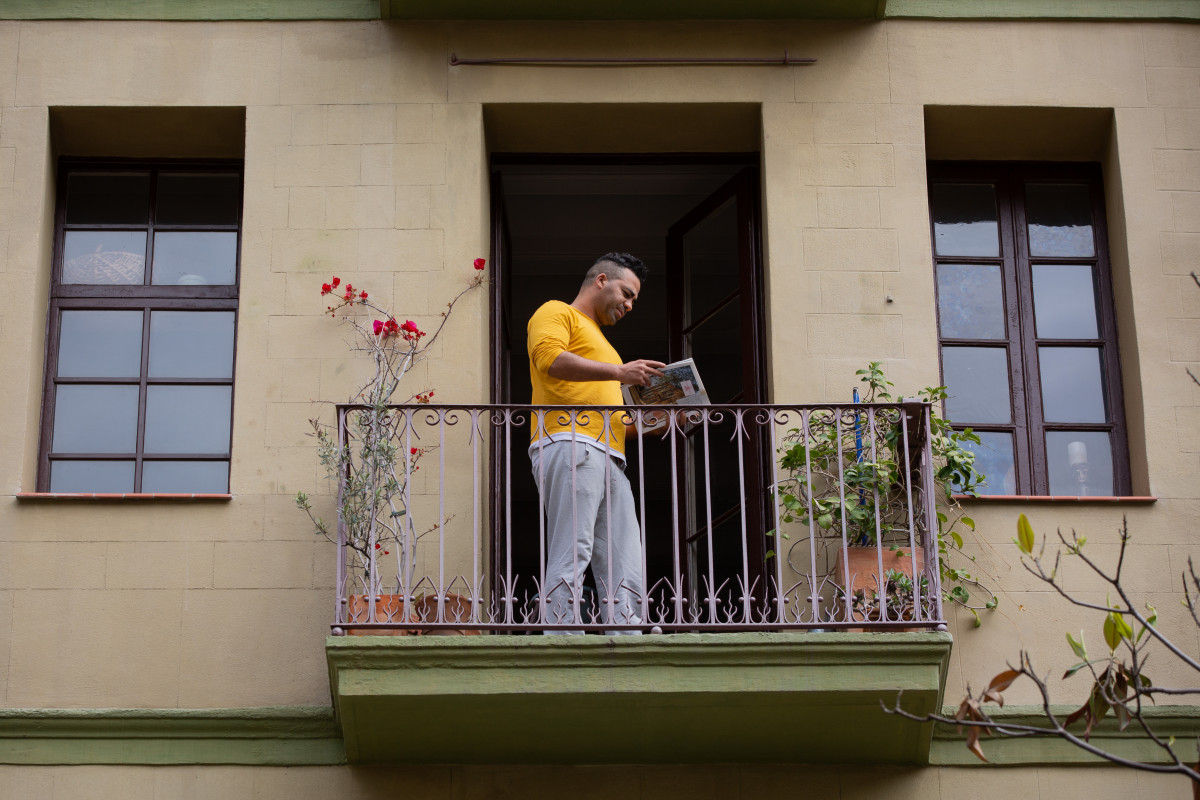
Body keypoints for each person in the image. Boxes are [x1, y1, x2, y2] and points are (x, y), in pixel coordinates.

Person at [527, 252, 665, 634]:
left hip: (610, 456)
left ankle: (628, 632)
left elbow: (618, 423)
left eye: (634, 300)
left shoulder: (604, 345)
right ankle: (562, 633)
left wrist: (663, 421)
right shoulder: (557, 312)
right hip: (570, 442)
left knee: (624, 555)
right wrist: (621, 372)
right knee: (574, 546)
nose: (630, 305)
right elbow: (548, 358)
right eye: (627, 292)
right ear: (601, 280)